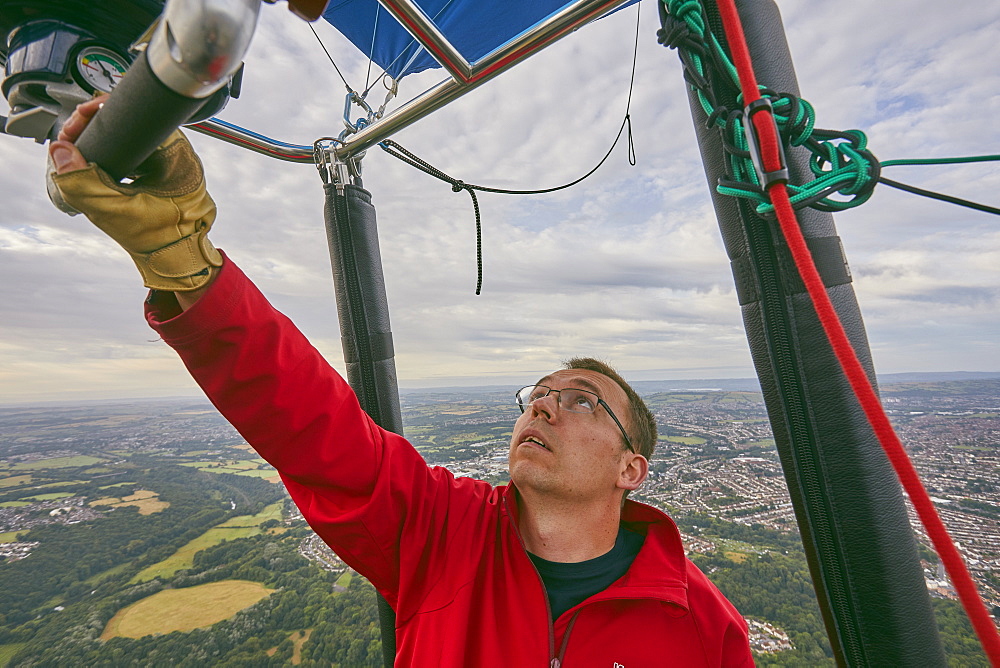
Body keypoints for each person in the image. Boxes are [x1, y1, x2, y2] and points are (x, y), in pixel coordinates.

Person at [48, 97, 754, 666]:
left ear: (631, 467)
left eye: (580, 401)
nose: (544, 402)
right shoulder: (440, 530)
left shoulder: (704, 627)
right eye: (539, 391)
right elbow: (315, 428)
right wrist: (188, 266)